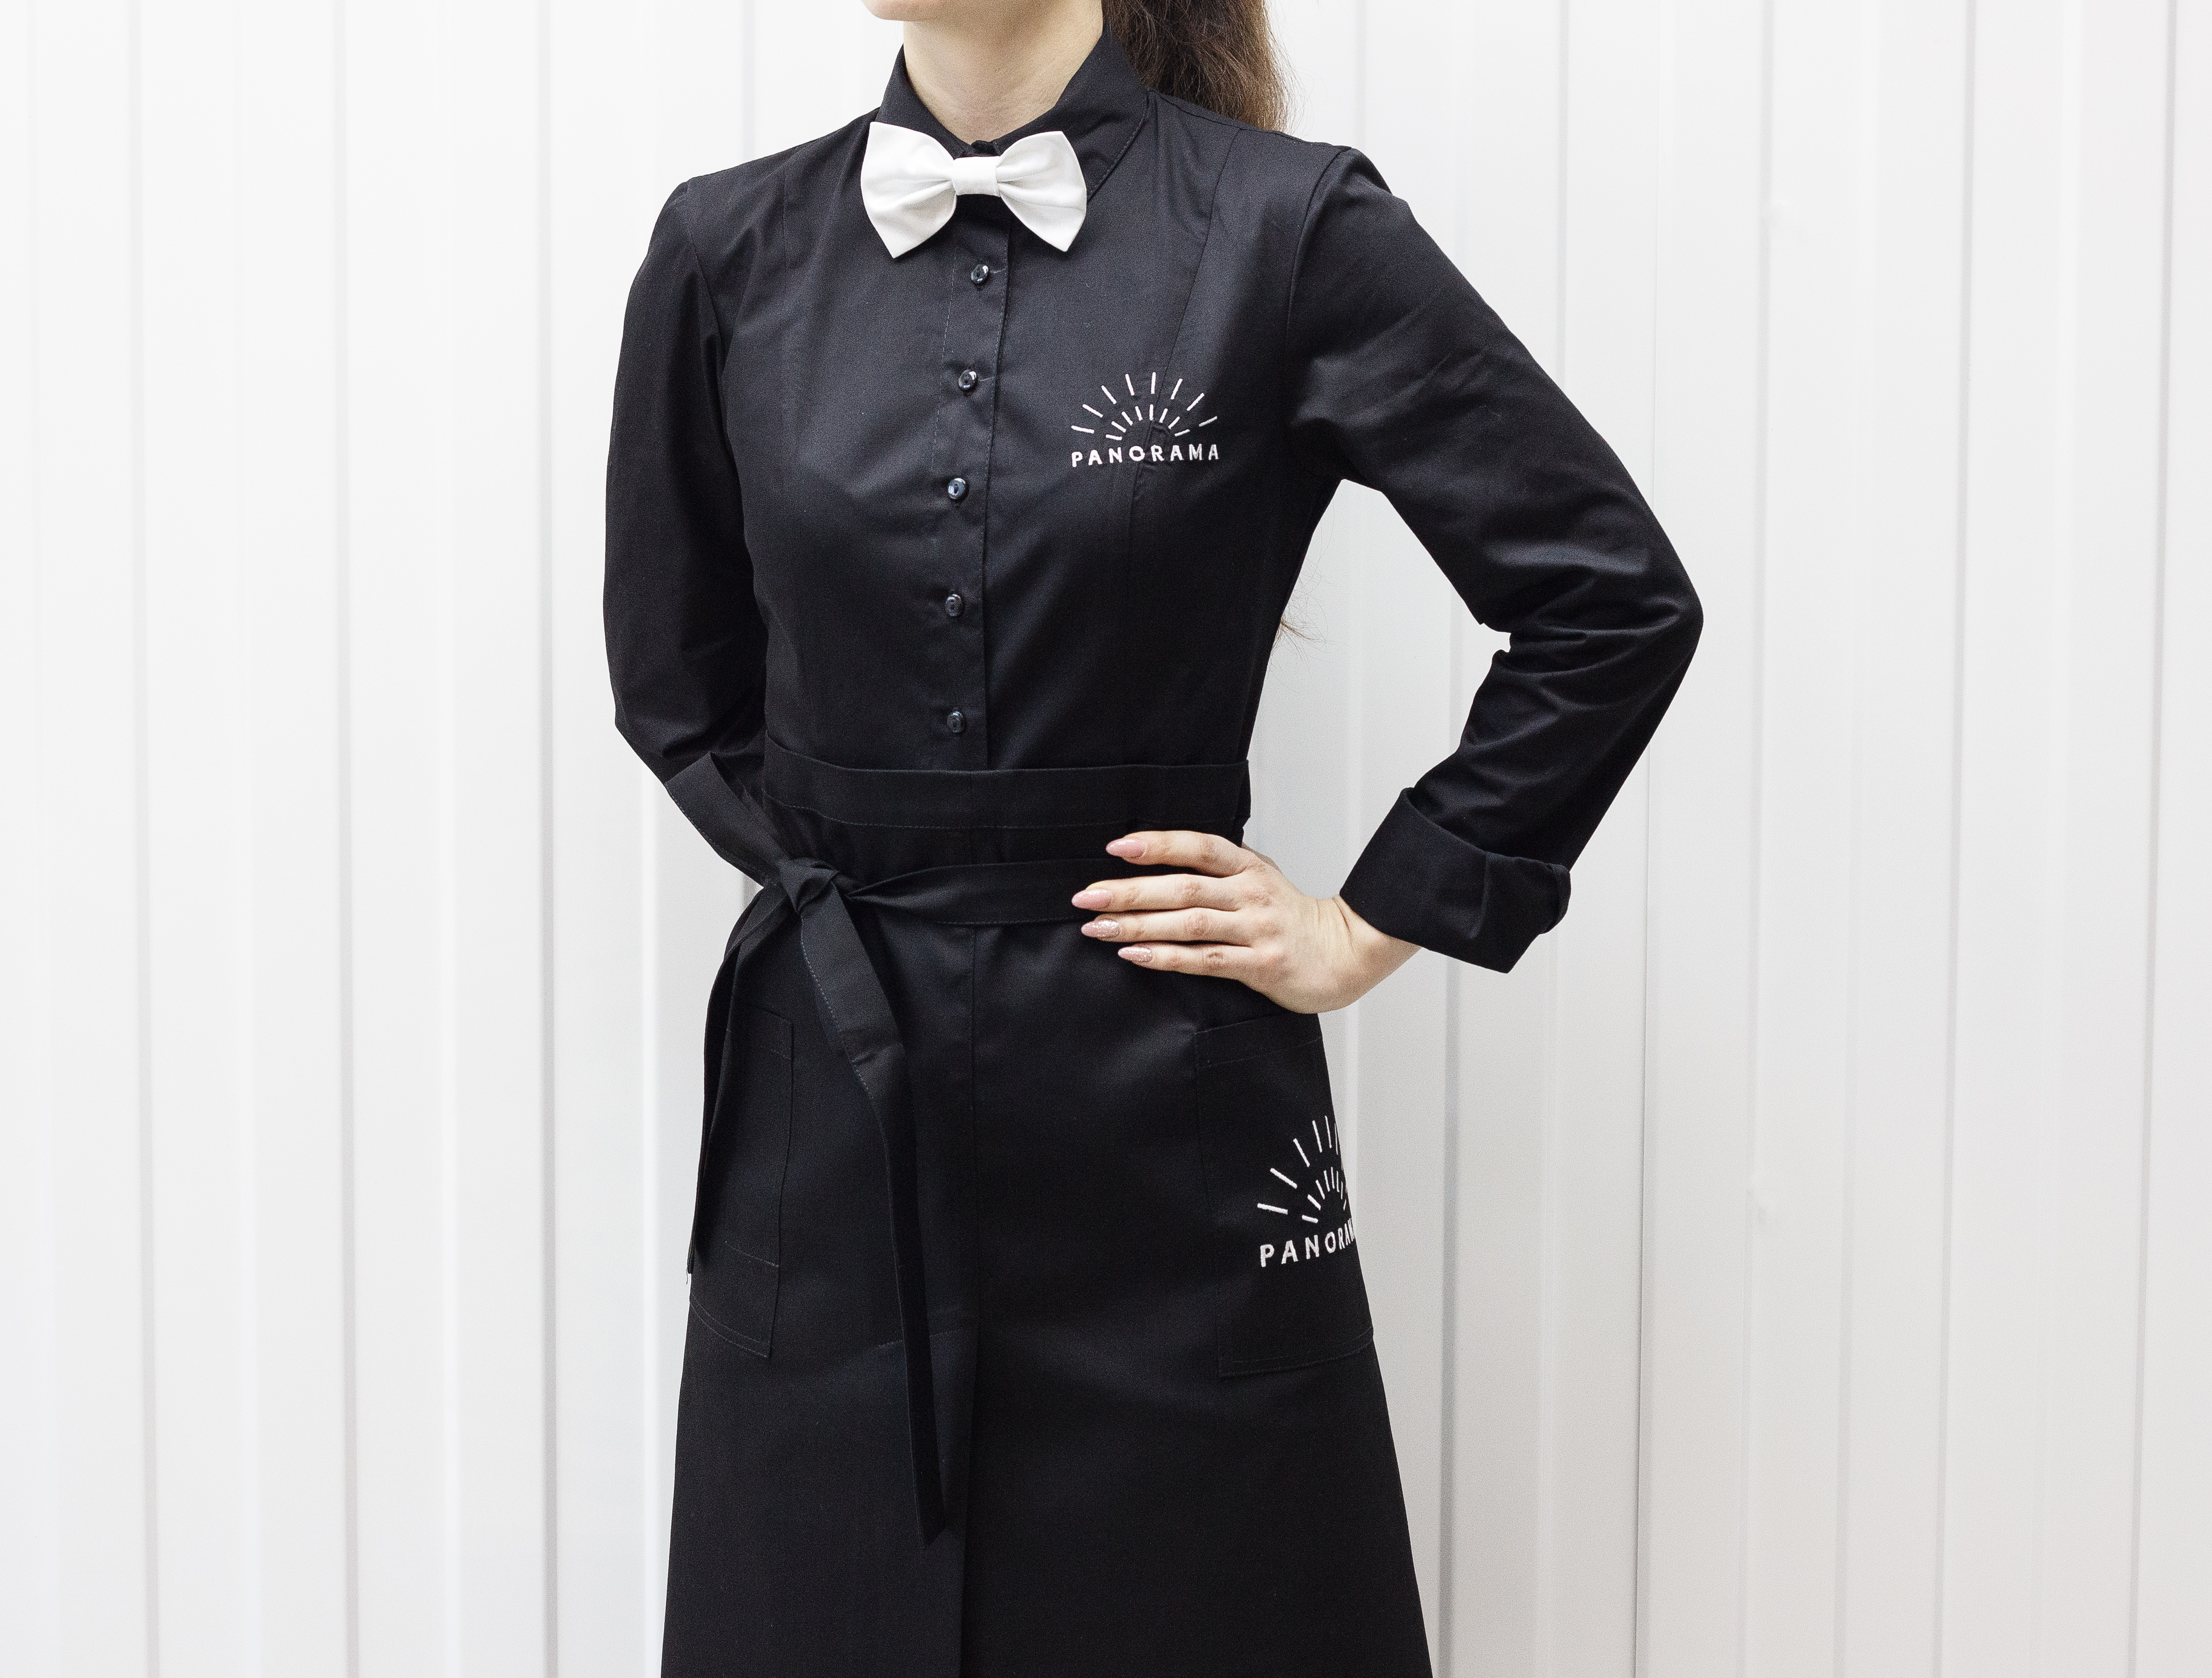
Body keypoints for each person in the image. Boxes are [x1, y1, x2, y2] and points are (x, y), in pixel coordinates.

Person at [602, 0, 1702, 1669]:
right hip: (833, 1096)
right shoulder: (725, 246)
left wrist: (1369, 922)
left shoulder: (1289, 228)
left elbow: (1609, 600)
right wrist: (885, 872)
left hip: (1168, 1095)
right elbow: (678, 684)